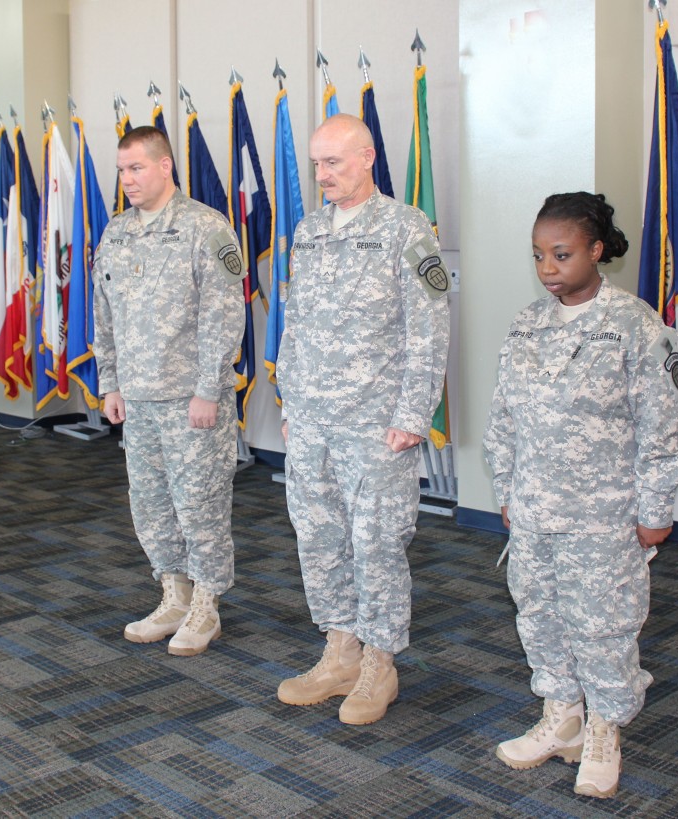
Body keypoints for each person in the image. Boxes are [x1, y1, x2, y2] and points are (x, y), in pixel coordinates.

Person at [483, 192, 678, 798]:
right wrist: (506, 490)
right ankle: (562, 717)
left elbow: (662, 426)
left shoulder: (634, 324)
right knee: (539, 616)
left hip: (604, 516)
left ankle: (604, 729)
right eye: (538, 255)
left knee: (603, 626)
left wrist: (655, 509)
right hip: (534, 509)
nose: (548, 268)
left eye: (562, 254)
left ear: (596, 251)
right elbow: (504, 416)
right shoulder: (527, 323)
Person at [275, 114, 450, 725]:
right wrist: (291, 405)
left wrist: (413, 414)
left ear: (368, 157)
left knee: (376, 542)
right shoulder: (309, 231)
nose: (322, 174)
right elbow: (295, 324)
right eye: (316, 163)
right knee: (318, 537)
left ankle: (380, 662)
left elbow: (429, 328)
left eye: (334, 162)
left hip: (376, 424)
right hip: (312, 420)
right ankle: (340, 650)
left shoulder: (406, 228)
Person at [92, 126, 246, 657]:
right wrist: (110, 382)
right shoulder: (116, 232)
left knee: (200, 505)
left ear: (165, 167)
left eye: (136, 168)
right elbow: (105, 313)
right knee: (151, 505)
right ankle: (174, 595)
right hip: (137, 399)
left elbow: (224, 314)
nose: (127, 179)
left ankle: (206, 604)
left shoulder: (206, 227)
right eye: (121, 170)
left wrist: (209, 389)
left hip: (190, 400)